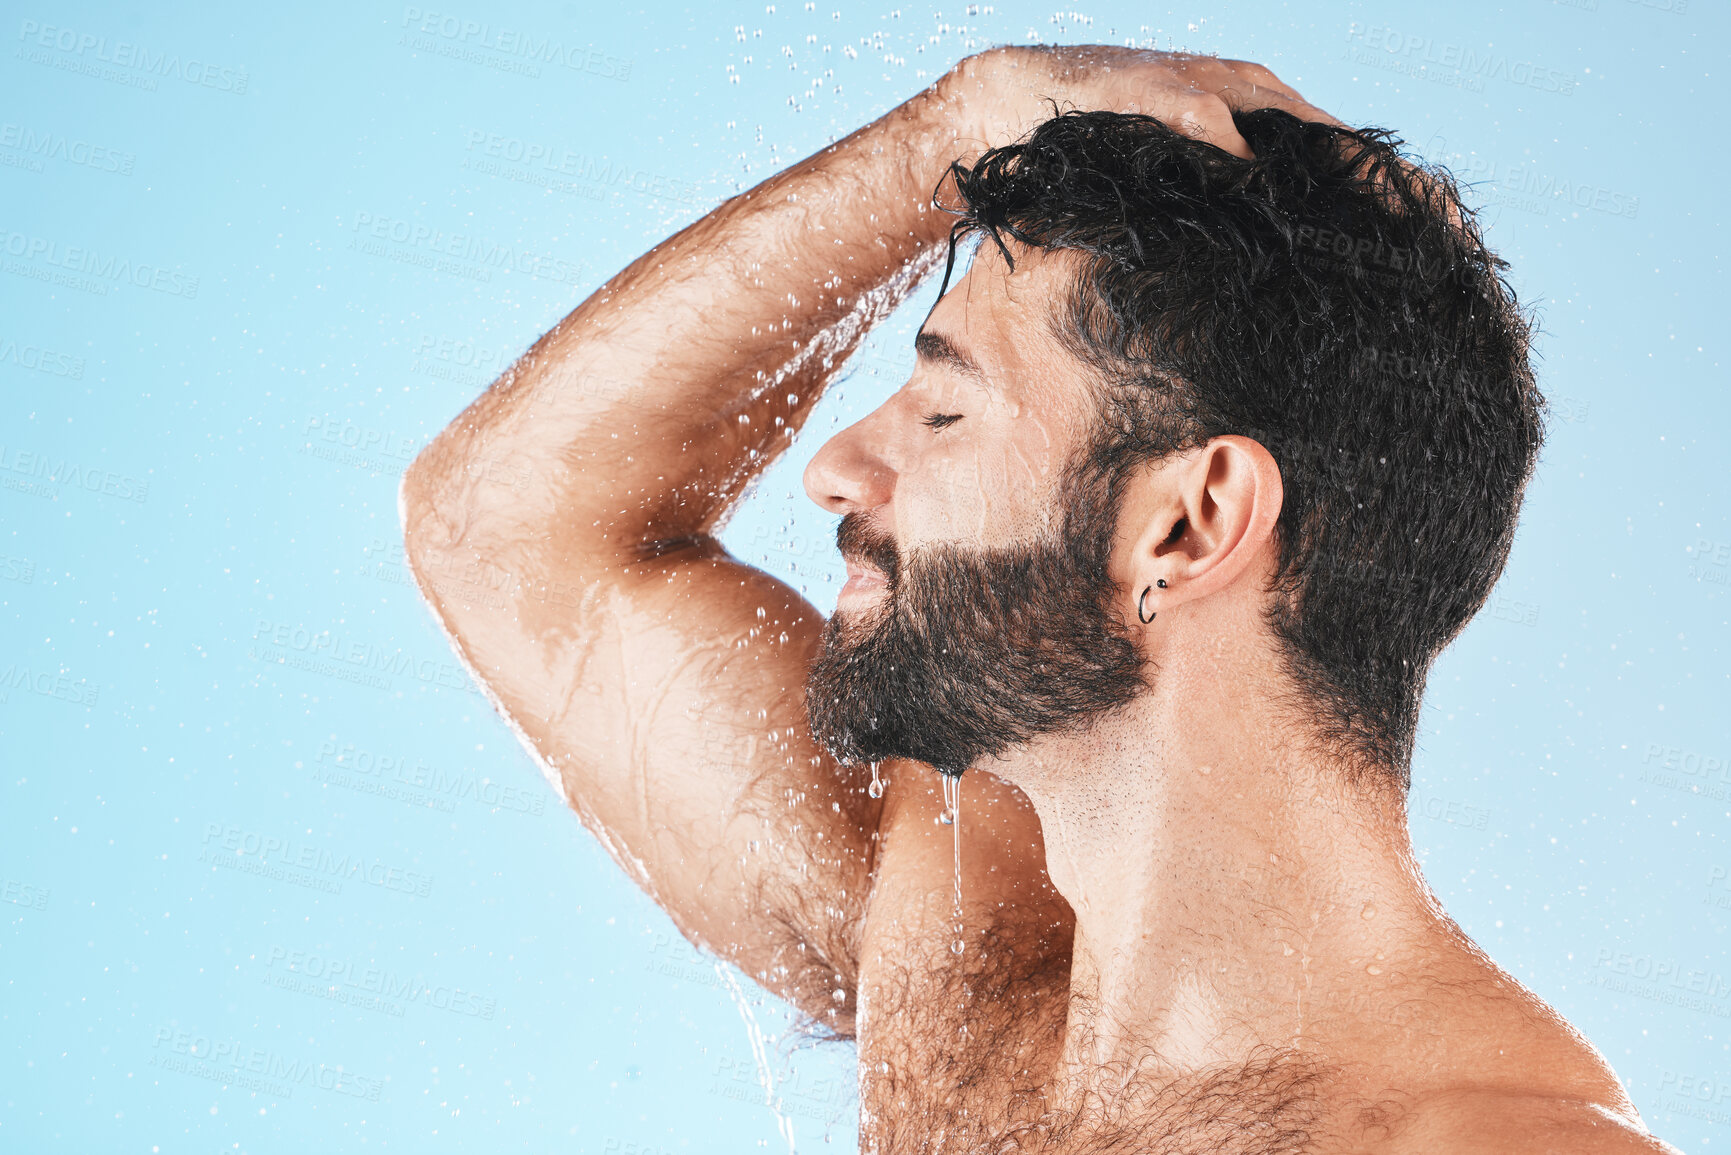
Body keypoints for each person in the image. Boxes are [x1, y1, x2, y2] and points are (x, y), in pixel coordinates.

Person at [401, 45, 1679, 1154]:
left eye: (945, 410)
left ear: (1188, 523)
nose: (837, 469)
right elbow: (506, 526)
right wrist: (949, 137)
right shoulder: (957, 939)